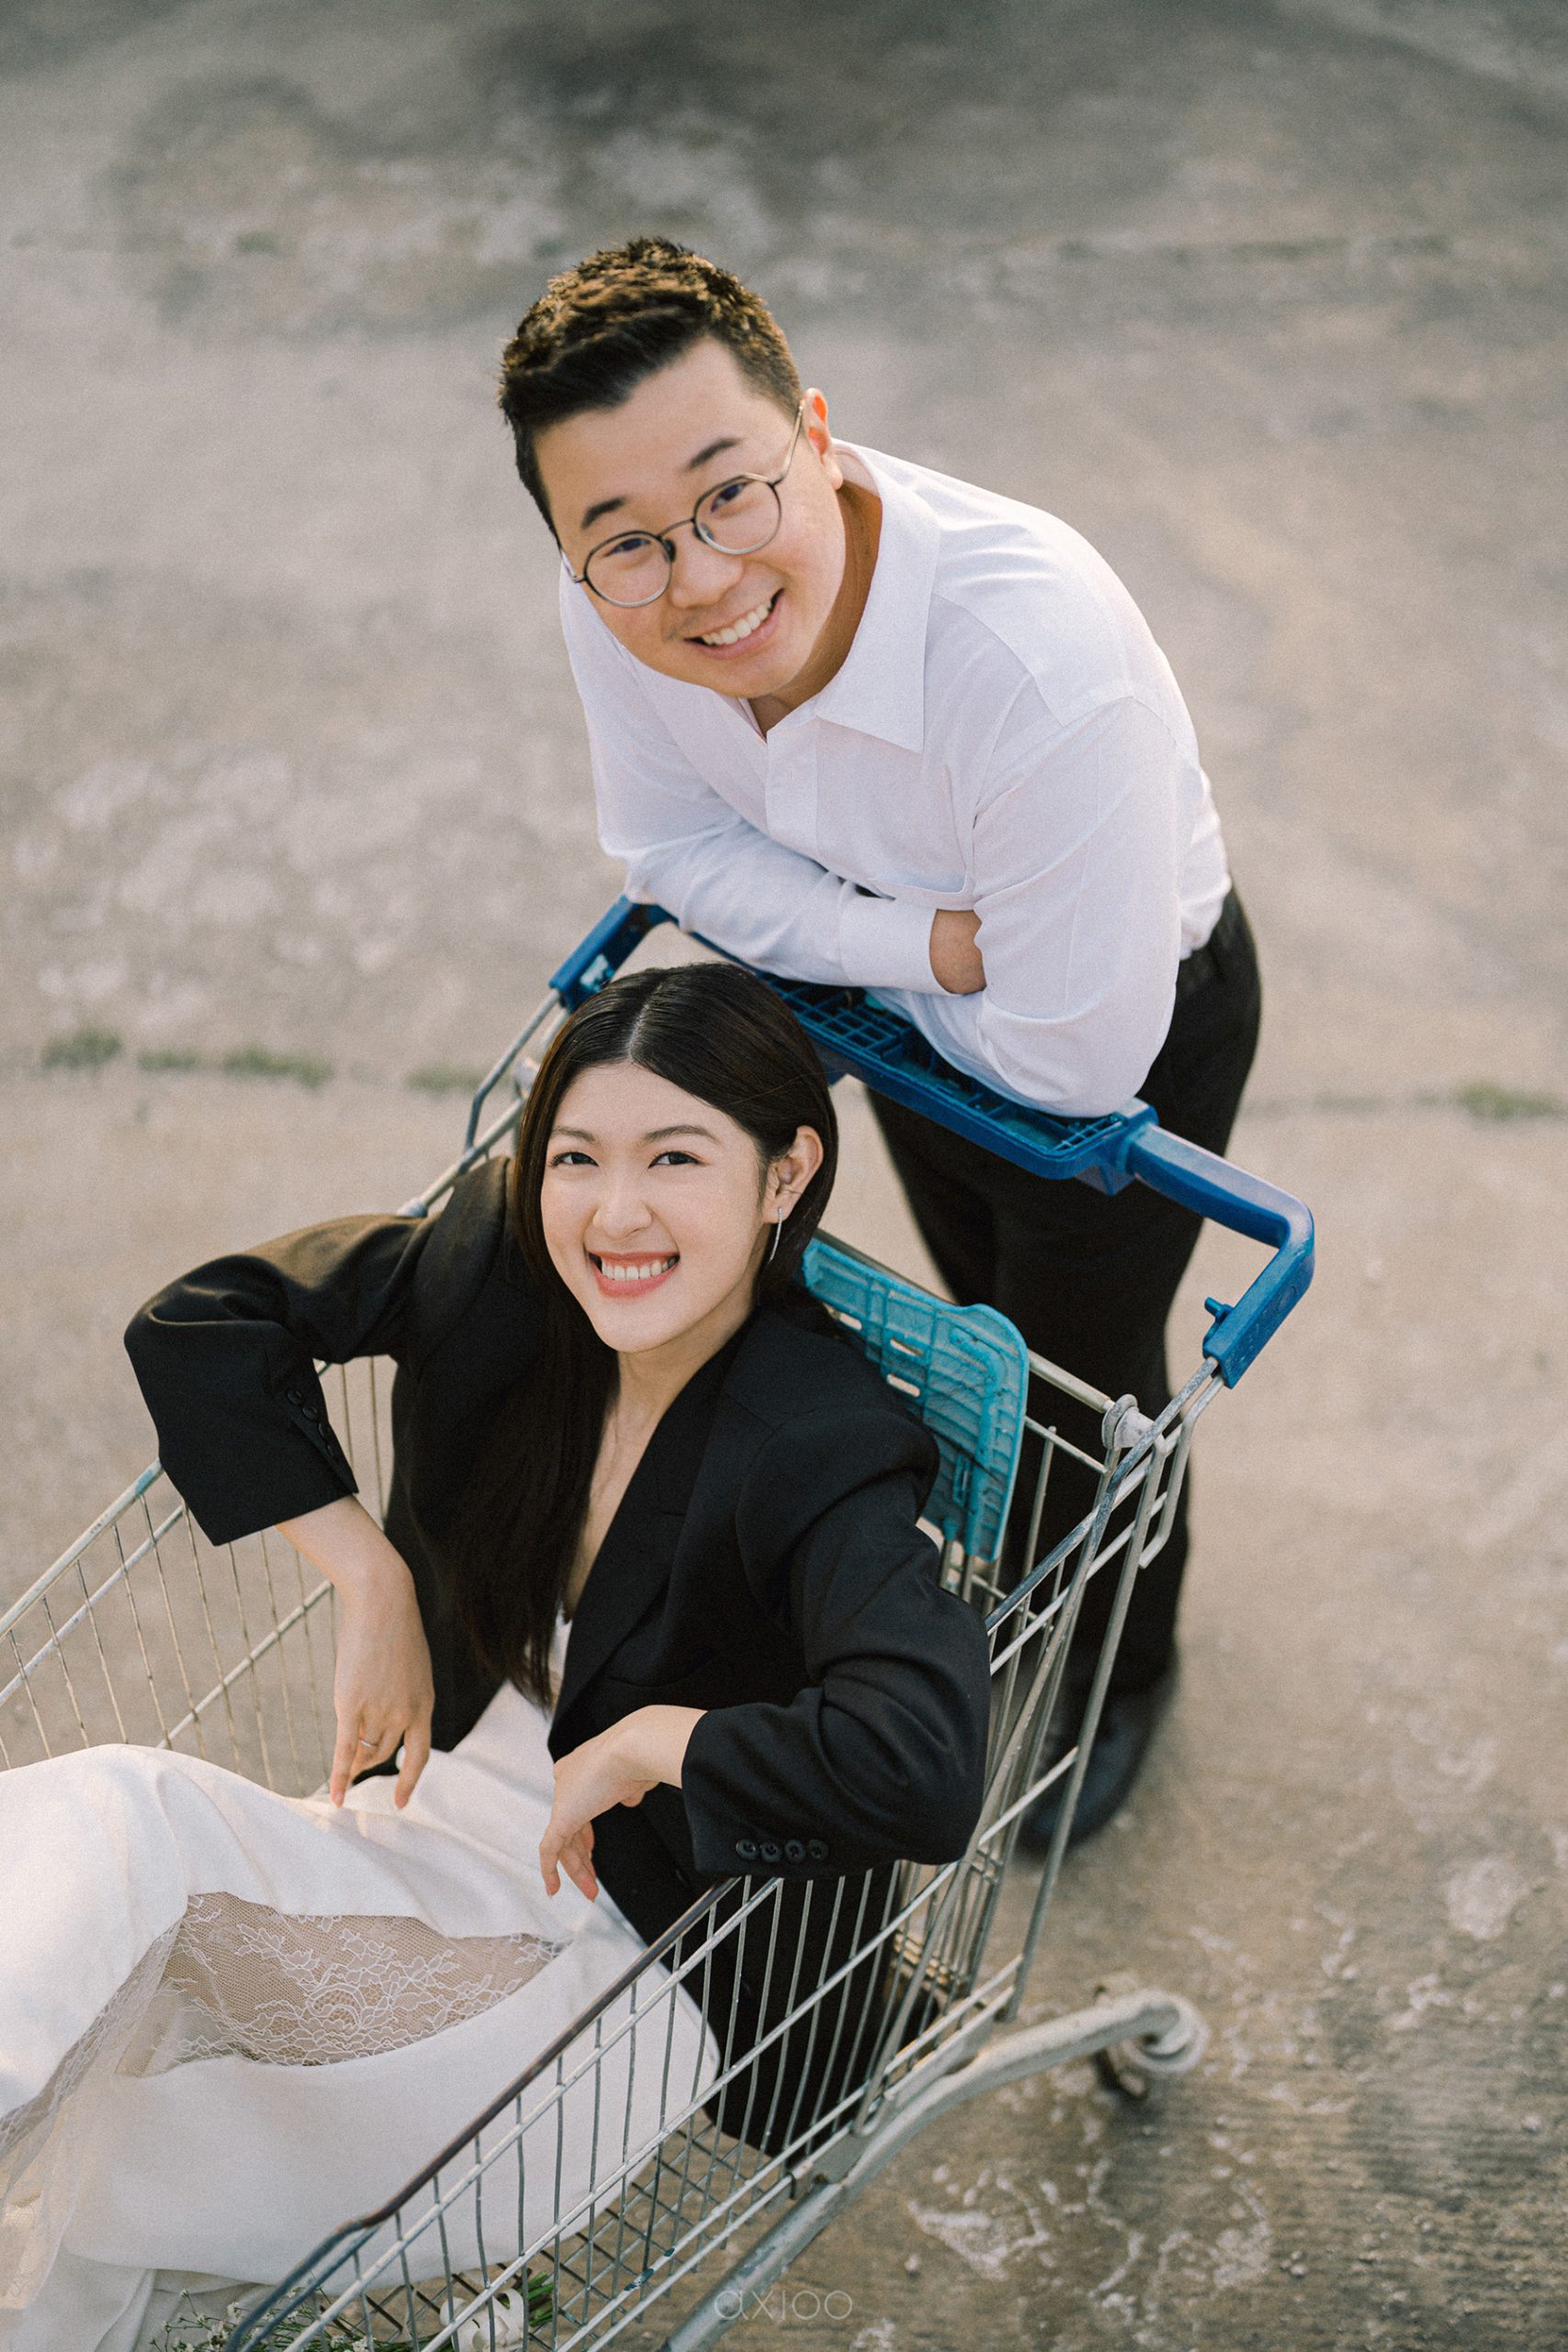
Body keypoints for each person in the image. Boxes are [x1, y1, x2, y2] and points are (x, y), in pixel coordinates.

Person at [0, 962, 990, 2352]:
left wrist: (659, 1744)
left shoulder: (820, 1440)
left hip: (627, 1963)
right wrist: (371, 1576)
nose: (614, 1213)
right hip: (425, 1829)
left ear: (785, 1175)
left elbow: (923, 1760)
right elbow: (205, 1325)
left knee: (133, 2119)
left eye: (676, 1159)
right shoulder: (504, 1271)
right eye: (576, 1157)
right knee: (123, 1831)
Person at [496, 237, 1263, 1843]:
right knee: (981, 1332)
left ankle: (1122, 1667)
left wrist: (837, 948)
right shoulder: (614, 597)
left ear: (820, 437)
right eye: (624, 541)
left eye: (732, 495)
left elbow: (1065, 1065)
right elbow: (668, 851)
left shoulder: (1036, 667)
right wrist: (916, 945)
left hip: (1119, 1036)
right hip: (913, 995)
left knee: (1078, 1399)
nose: (698, 579)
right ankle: (997, 1586)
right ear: (574, 548)